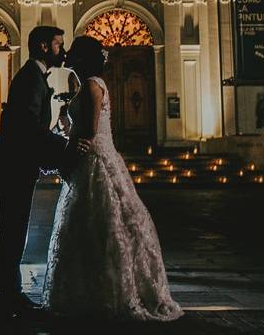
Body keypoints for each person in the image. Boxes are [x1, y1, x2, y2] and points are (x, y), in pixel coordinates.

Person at [43, 35, 183, 322]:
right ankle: (91, 291)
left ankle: (109, 293)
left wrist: (66, 151)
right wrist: (65, 122)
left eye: (73, 53)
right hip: (91, 159)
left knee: (105, 225)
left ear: (82, 58)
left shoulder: (93, 85)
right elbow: (80, 126)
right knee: (90, 228)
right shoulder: (84, 85)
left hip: (95, 161)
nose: (67, 56)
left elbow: (90, 131)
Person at [0, 25, 68, 320]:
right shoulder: (32, 79)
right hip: (14, 164)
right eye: (59, 45)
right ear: (44, 47)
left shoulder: (33, 76)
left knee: (13, 227)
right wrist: (64, 148)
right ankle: (9, 293)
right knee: (14, 227)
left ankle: (9, 290)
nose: (63, 51)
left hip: (15, 163)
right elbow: (29, 127)